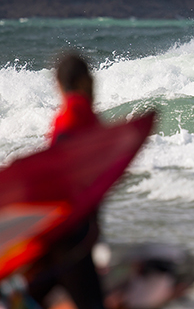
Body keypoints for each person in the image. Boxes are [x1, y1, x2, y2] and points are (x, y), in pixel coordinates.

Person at [26, 53, 106, 309]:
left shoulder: (69, 113)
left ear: (59, 84)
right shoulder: (81, 112)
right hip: (73, 225)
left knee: (36, 294)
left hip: (66, 222)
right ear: (84, 80)